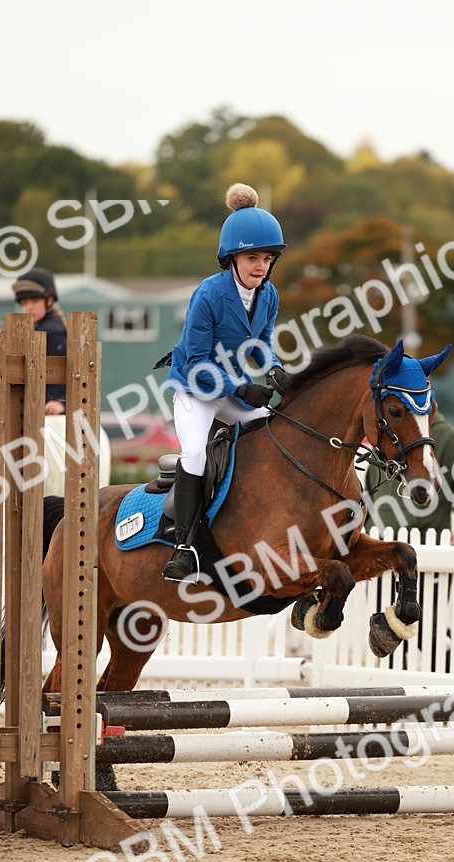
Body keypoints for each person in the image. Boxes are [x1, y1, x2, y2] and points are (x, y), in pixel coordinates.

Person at [162, 183, 289, 582]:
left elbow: (261, 344)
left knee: (273, 430)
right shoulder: (209, 294)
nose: (260, 266)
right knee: (194, 454)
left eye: (267, 259)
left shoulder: (269, 296)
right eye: (252, 257)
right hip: (195, 390)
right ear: (231, 258)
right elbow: (197, 361)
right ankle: (184, 547)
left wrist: (276, 371)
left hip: (232, 387)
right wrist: (239, 389)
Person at [364, 408, 454, 542]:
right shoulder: (388, 432)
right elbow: (370, 489)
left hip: (423, 542)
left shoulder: (448, 436)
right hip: (377, 539)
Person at [11, 268, 68, 414]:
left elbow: (73, 374)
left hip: (51, 413)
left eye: (35, 300)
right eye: (24, 302)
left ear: (49, 300)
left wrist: (62, 402)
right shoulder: (32, 329)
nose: (29, 307)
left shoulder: (53, 333)